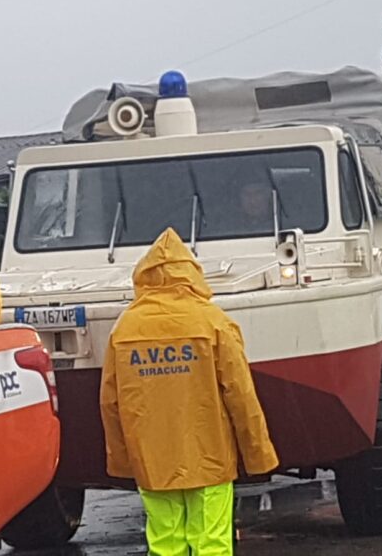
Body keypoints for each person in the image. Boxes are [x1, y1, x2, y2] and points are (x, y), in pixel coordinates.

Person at [100, 228, 279, 555]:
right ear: (191, 273)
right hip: (209, 456)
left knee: (165, 544)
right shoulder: (212, 321)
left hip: (153, 462)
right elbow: (240, 394)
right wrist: (257, 453)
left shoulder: (125, 328)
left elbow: (111, 403)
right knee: (211, 542)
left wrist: (125, 461)